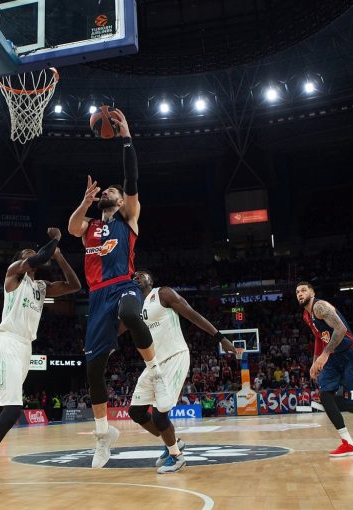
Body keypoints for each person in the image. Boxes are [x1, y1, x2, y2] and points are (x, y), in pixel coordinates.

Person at [67, 110, 170, 469]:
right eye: (107, 190)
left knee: (131, 313)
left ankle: (155, 371)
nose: (110, 191)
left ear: (124, 201)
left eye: (114, 191)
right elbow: (72, 227)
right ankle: (102, 435)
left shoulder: (130, 219)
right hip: (96, 296)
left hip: (123, 285)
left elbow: (132, 178)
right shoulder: (91, 226)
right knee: (93, 369)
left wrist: (126, 138)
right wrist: (85, 200)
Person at [0, 227, 81, 495]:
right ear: (20, 261)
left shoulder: (41, 287)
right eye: (26, 254)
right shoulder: (13, 274)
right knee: (12, 411)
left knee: (1, 406)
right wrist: (55, 240)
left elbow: (75, 285)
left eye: (33, 253)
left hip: (25, 347)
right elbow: (37, 258)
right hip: (8, 341)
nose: (31, 255)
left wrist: (59, 255)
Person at [130, 270, 239, 473]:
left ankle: (177, 457)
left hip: (175, 357)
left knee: (159, 415)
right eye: (133, 275)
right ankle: (173, 442)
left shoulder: (162, 293)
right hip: (153, 363)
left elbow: (193, 315)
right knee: (135, 412)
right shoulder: (133, 306)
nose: (136, 277)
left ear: (150, 280)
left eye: (141, 275)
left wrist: (220, 338)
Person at [295, 282, 353, 456]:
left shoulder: (320, 307)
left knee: (349, 402)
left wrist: (325, 354)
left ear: (312, 293)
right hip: (333, 357)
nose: (300, 294)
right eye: (297, 292)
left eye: (303, 290)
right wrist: (315, 361)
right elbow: (319, 337)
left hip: (349, 355)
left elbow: (341, 329)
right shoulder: (306, 316)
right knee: (325, 396)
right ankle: (348, 442)